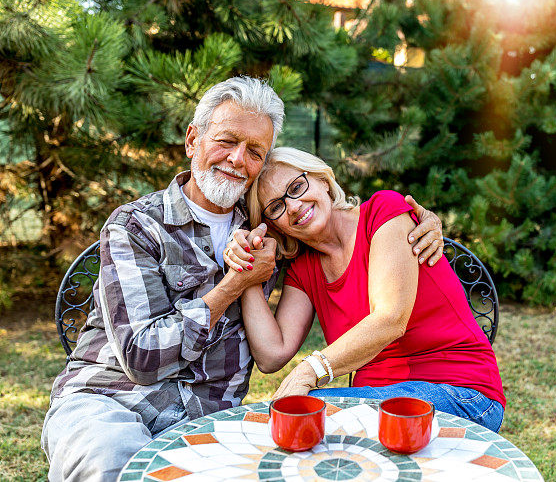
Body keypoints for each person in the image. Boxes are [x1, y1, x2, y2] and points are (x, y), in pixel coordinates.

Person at [41, 76, 445, 482]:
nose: (238, 159)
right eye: (227, 140)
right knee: (111, 462)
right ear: (192, 140)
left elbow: (343, 229)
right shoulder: (136, 227)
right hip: (111, 403)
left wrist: (423, 222)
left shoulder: (272, 231)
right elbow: (142, 358)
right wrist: (233, 285)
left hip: (206, 423)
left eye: (255, 151)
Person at [224, 147, 506, 431]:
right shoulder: (304, 269)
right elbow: (272, 354)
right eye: (276, 207)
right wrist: (245, 267)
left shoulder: (384, 212)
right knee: (295, 418)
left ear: (322, 180)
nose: (294, 206)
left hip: (460, 392)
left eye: (297, 187)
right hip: (377, 402)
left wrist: (310, 370)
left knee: (306, 419)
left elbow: (390, 320)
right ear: (274, 226)